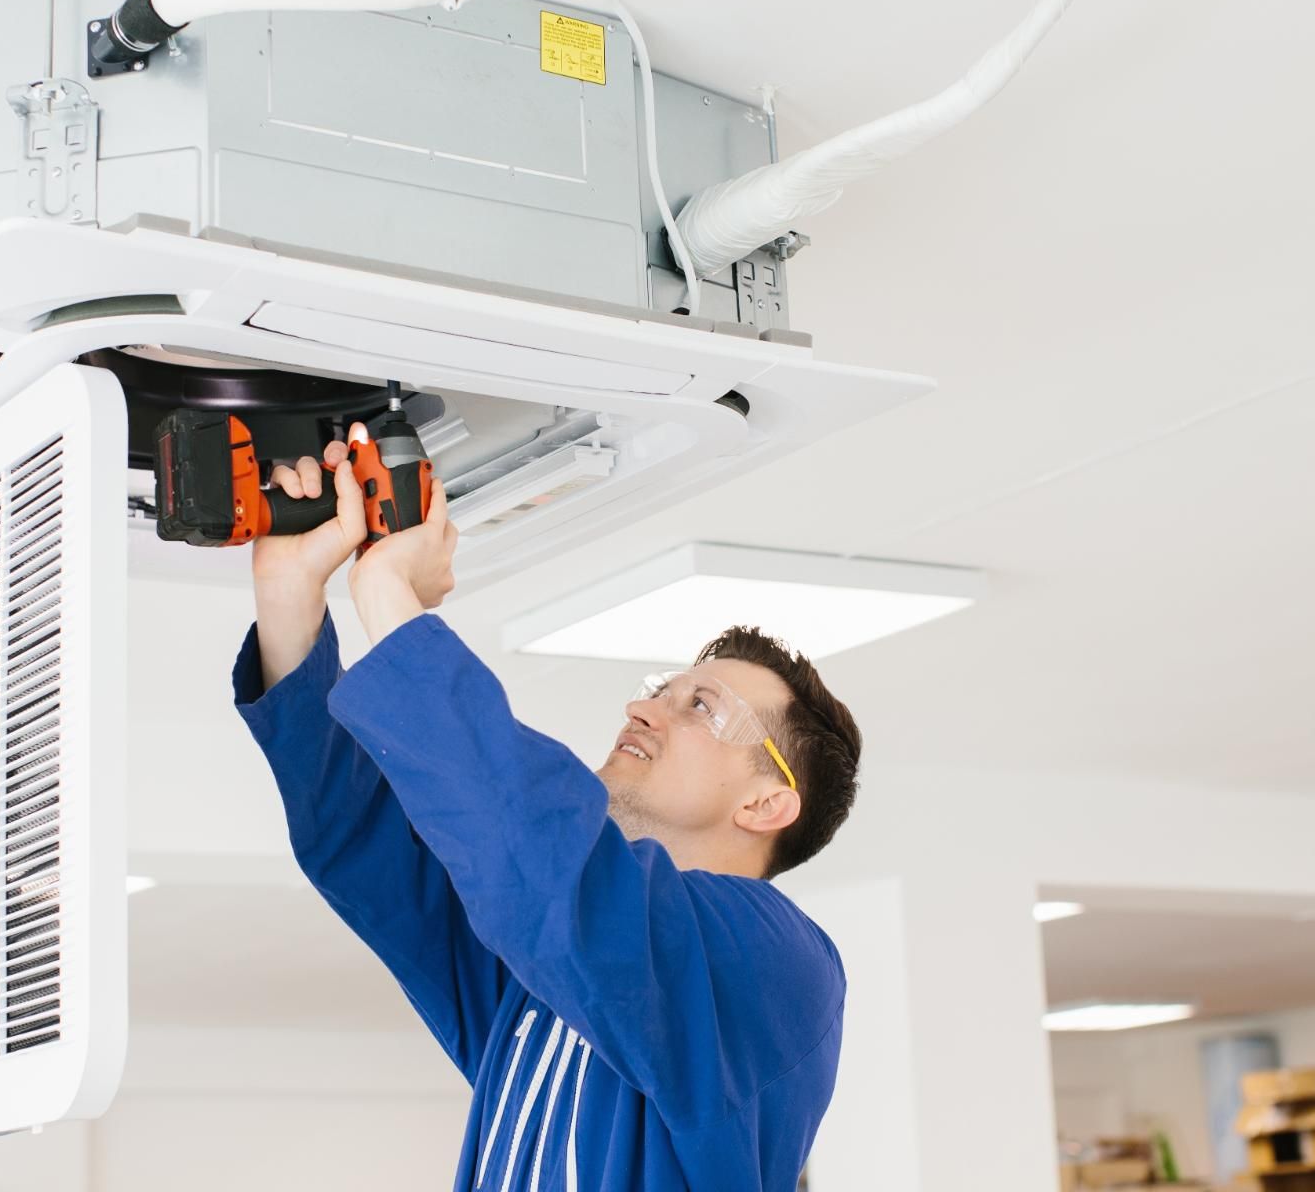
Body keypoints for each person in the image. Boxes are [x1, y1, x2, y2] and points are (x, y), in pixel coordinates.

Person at [231, 429, 864, 1192]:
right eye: (658, 688)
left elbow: (549, 869)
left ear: (768, 802)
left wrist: (389, 595)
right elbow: (371, 850)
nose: (643, 707)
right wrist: (291, 592)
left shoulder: (781, 964)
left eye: (702, 706)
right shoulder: (543, 985)